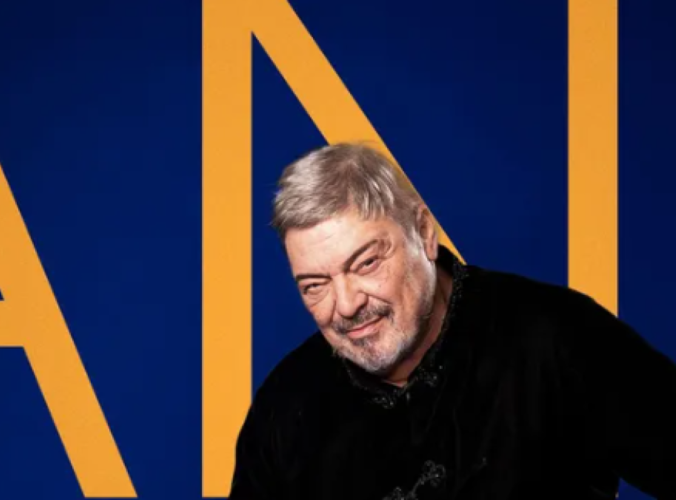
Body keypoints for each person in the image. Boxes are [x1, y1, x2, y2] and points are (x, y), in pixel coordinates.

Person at [228, 142, 676, 500]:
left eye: (366, 264)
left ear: (424, 233)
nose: (345, 306)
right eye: (315, 285)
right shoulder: (284, 408)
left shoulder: (558, 338)